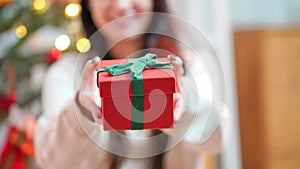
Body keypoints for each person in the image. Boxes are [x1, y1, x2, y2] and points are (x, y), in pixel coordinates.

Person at [34, 0, 223, 169]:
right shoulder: (67, 74)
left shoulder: (191, 66)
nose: (122, 5)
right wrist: (81, 113)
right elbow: (53, 161)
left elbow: (218, 139)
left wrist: (184, 103)